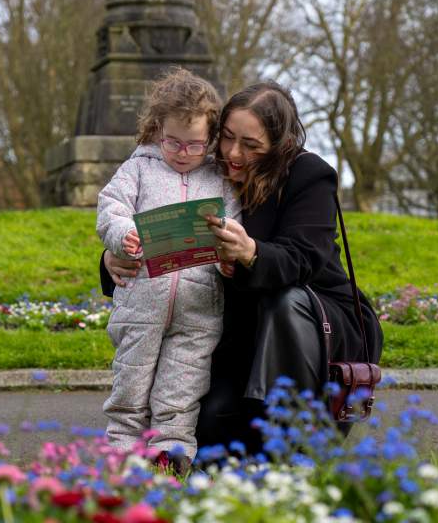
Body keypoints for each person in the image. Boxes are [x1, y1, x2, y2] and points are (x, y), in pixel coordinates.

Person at [101, 80, 383, 454]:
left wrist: (252, 253)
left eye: (251, 146)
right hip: (242, 333)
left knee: (286, 302)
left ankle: (298, 435)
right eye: (228, 137)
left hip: (313, 321)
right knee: (210, 434)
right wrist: (112, 258)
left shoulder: (307, 175)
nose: (233, 153)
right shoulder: (202, 168)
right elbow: (161, 225)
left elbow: (304, 259)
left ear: (278, 146)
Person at [96, 68, 240, 466]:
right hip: (140, 306)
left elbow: (236, 225)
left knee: (182, 389)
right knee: (130, 386)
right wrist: (123, 232)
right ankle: (123, 454)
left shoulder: (219, 179)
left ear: (210, 139)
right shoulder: (139, 168)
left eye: (194, 145)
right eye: (173, 141)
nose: (181, 152)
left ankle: (170, 454)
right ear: (157, 129)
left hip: (198, 309)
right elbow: (111, 206)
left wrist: (229, 257)